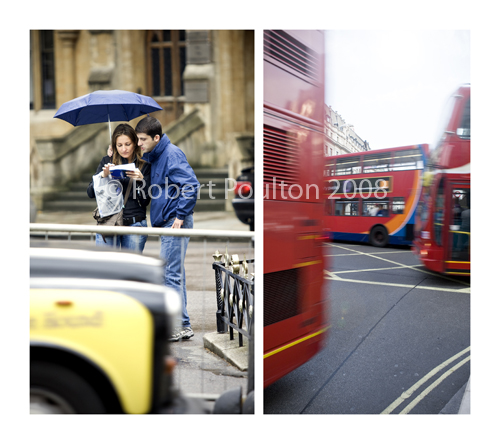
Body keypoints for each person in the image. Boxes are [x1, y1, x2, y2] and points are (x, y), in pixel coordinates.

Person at [135, 116, 199, 342]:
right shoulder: (155, 156)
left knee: (170, 274)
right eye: (137, 139)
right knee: (173, 273)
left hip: (175, 220)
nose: (139, 144)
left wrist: (180, 216)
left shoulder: (171, 153)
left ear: (156, 138)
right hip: (167, 221)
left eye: (142, 139)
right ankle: (182, 324)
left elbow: (191, 185)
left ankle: (180, 325)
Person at [87, 123, 151, 252]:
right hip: (109, 221)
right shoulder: (107, 161)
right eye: (119, 145)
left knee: (132, 269)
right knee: (107, 268)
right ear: (114, 146)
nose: (124, 149)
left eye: (128, 144)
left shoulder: (144, 165)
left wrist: (141, 180)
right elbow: (90, 192)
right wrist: (103, 176)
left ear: (135, 143)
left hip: (135, 223)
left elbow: (146, 201)